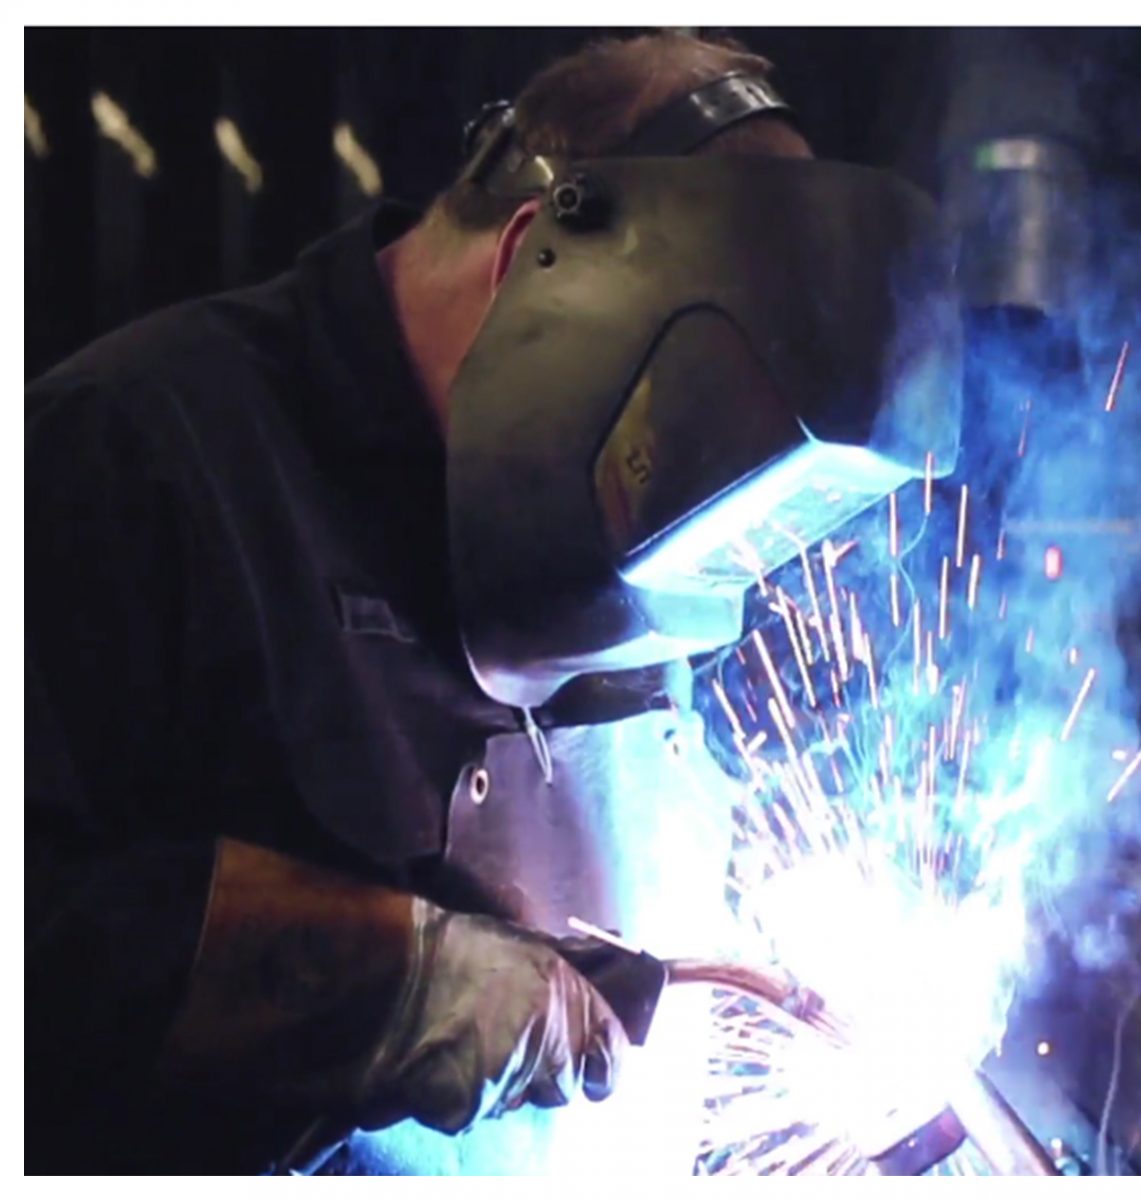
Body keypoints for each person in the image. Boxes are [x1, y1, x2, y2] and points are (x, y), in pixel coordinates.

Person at [25, 31, 815, 1175]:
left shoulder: (642, 490)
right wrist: (389, 988)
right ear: (530, 275)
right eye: (640, 460)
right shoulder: (126, 457)